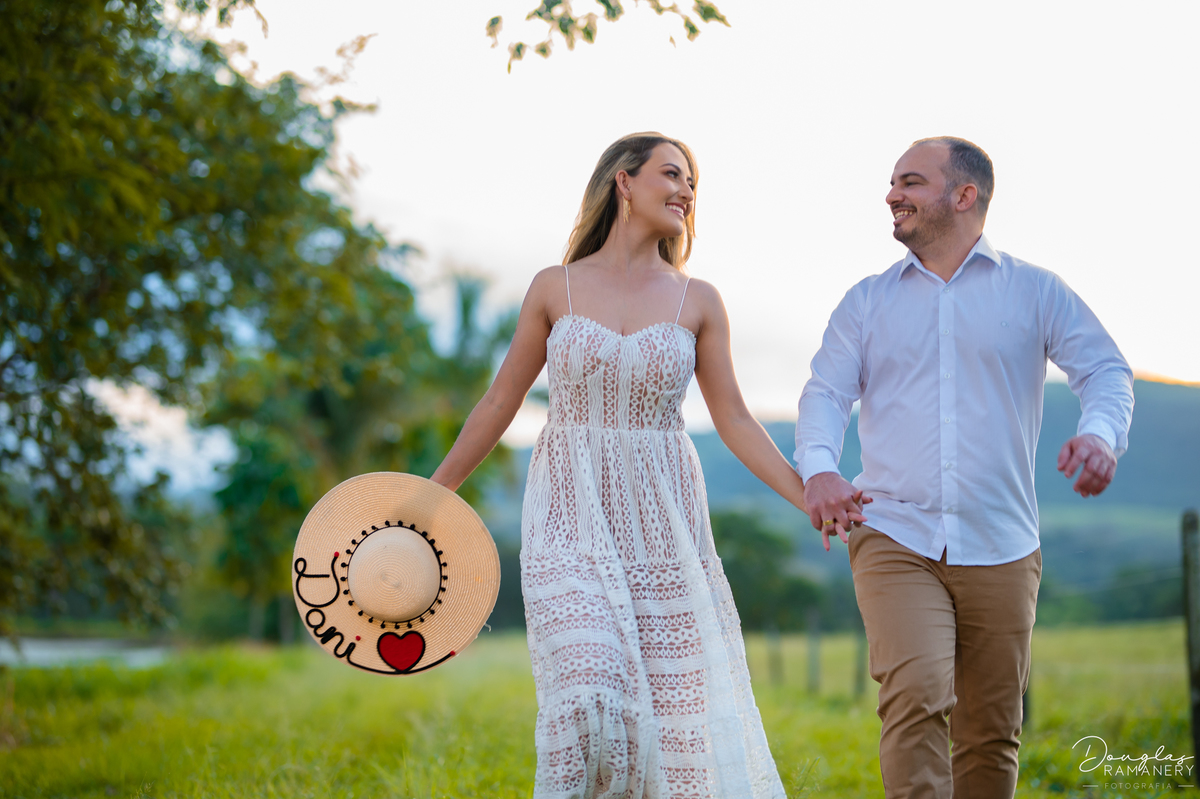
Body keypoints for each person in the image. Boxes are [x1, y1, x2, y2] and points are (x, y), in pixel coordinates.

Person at [433, 132, 852, 798]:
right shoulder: (554, 287)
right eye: (672, 174)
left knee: (670, 720)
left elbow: (735, 420)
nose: (686, 191)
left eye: (692, 183)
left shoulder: (698, 299)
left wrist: (809, 496)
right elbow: (500, 400)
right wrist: (436, 494)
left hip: (663, 524)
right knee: (589, 691)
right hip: (568, 514)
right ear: (623, 181)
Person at [795, 136, 1134, 798]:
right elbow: (825, 393)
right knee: (917, 693)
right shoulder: (866, 301)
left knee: (991, 729)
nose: (892, 194)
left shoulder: (1036, 290)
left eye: (910, 182)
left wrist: (1100, 437)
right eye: (893, 182)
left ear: (964, 195)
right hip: (894, 532)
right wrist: (820, 469)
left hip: (1003, 540)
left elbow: (1105, 370)